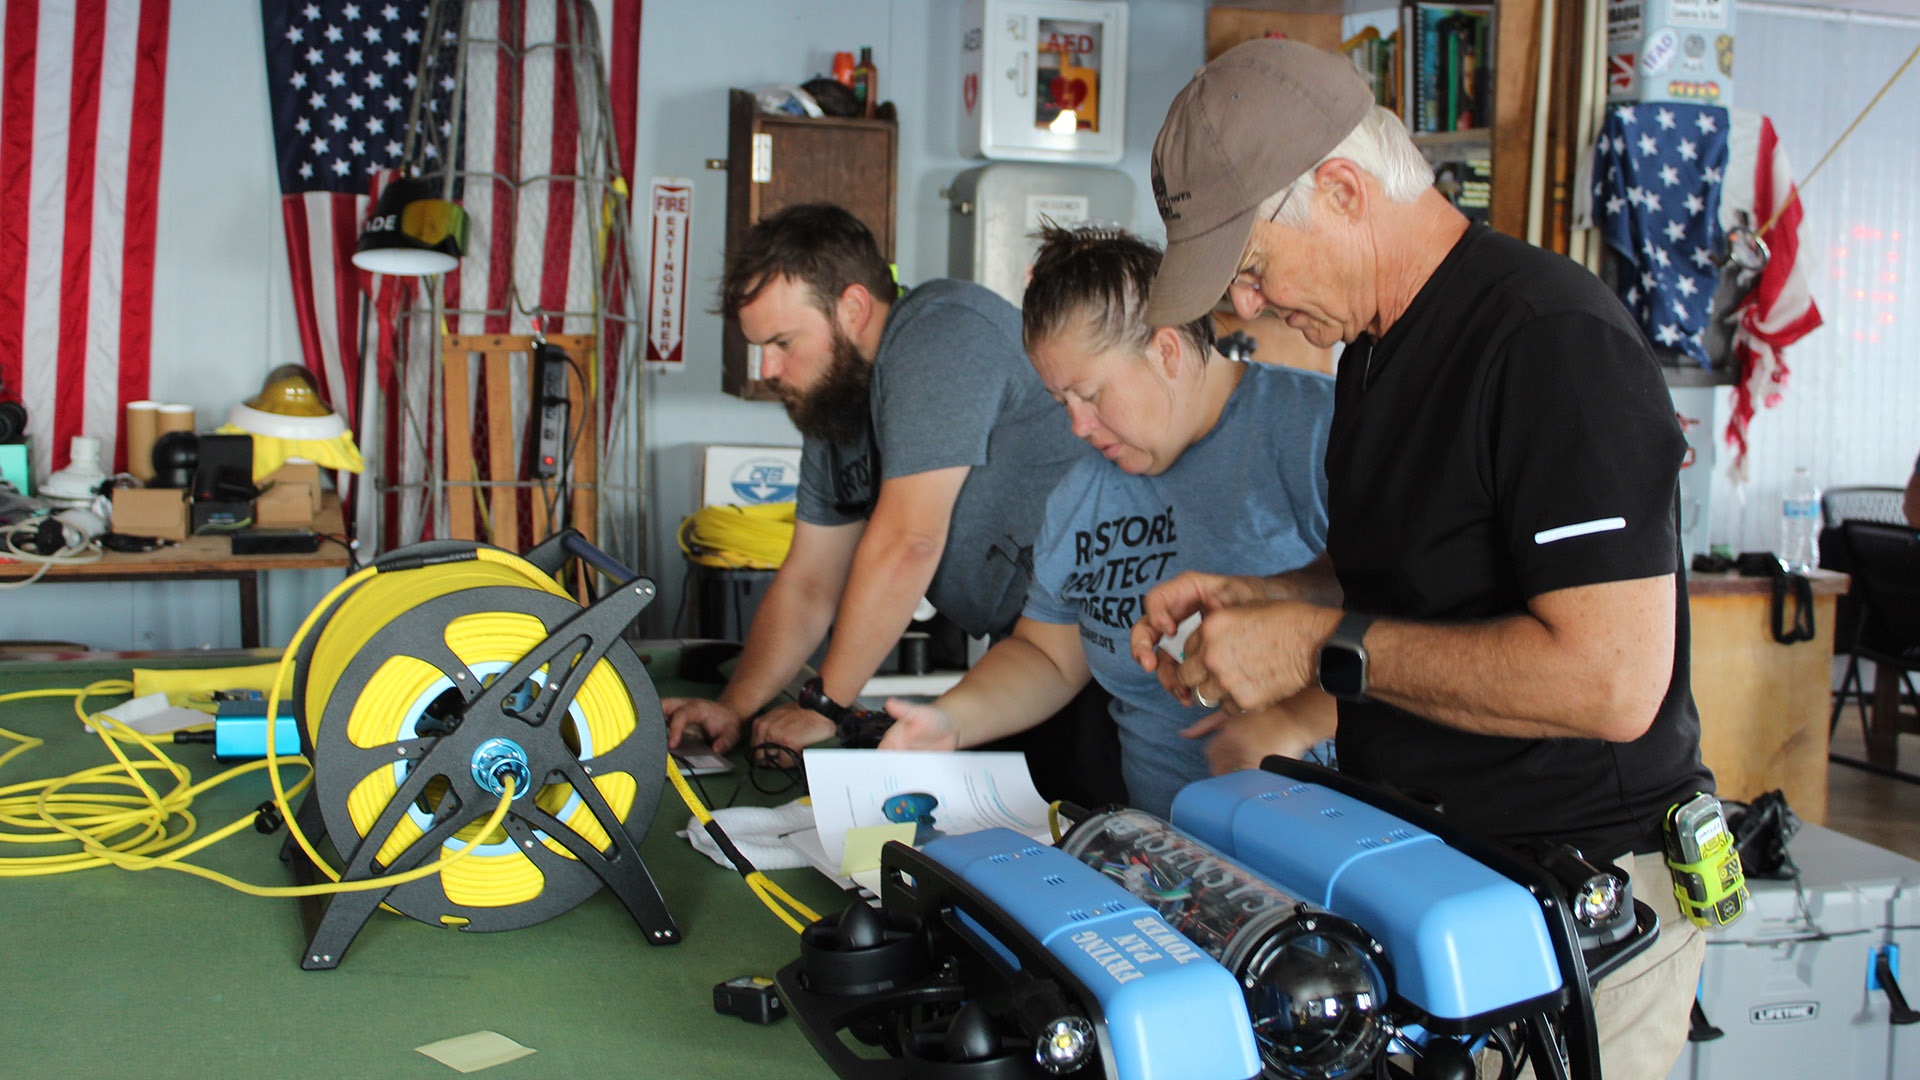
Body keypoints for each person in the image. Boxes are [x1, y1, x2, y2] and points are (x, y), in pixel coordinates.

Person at [1128, 40, 1714, 1080]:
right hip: (1432, 883)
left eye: (1254, 270)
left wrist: (1314, 643)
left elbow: (1614, 681)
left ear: (1343, 190)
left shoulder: (1549, 341)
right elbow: (1416, 571)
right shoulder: (1378, 350)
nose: (1249, 310)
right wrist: (1266, 596)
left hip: (1579, 908)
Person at [663, 203, 1124, 808]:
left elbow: (911, 539)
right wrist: (734, 706)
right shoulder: (836, 414)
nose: (768, 369)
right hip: (1031, 656)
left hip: (1110, 658)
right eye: (760, 348)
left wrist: (825, 705)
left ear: (853, 309)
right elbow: (808, 580)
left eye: (782, 342)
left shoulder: (939, 328)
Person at [879, 225, 1337, 817]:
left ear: (1166, 351)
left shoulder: (1316, 432)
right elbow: (1047, 655)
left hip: (1323, 843)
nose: (1077, 425)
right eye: (1060, 402)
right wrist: (951, 720)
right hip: (1165, 857)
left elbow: (1428, 633)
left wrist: (1296, 719)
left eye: (1090, 395)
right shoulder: (1083, 490)